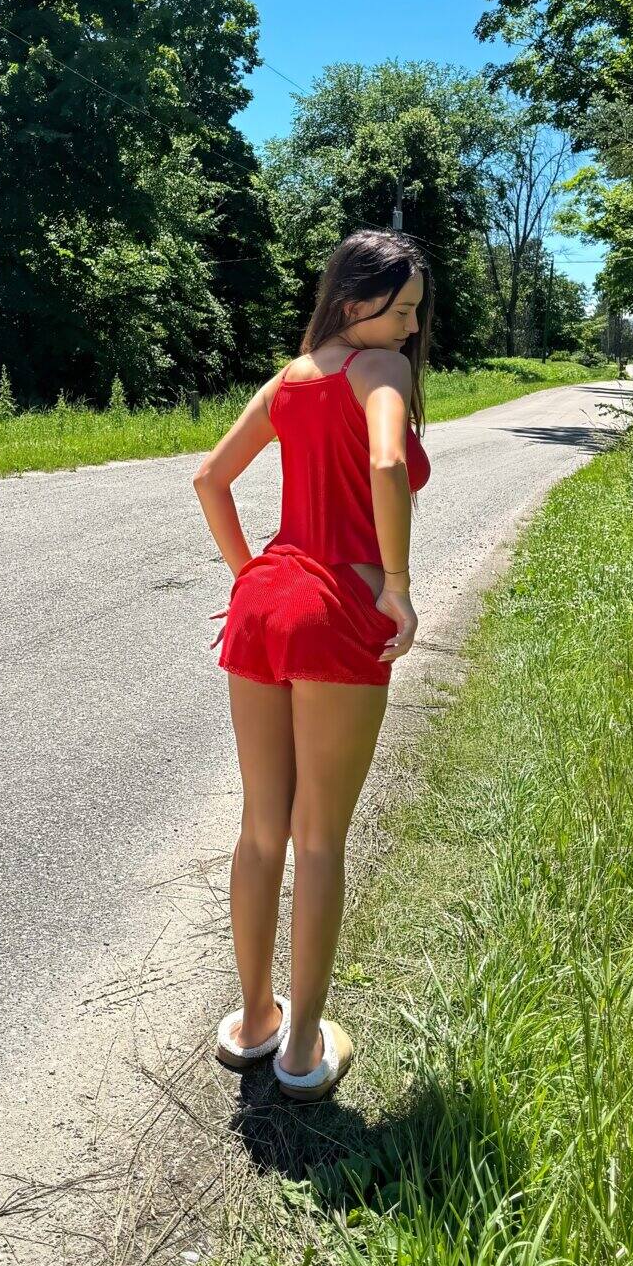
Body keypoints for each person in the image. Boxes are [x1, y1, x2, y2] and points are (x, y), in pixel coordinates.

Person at [192, 229, 432, 1103]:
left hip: (264, 603)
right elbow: (385, 461)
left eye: (415, 314)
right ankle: (299, 1050)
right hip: (337, 614)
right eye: (400, 310)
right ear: (353, 300)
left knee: (261, 829)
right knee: (319, 837)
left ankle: (253, 1018)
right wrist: (396, 586)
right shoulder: (381, 371)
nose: (410, 328)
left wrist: (250, 578)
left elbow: (209, 480)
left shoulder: (289, 379)